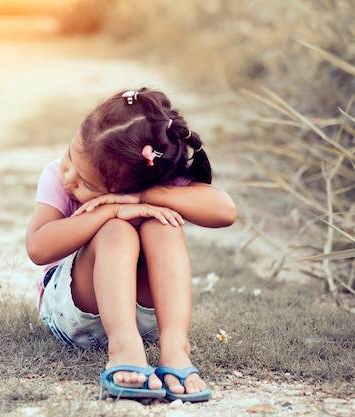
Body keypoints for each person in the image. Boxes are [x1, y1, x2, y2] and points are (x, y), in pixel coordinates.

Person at [25, 87, 237, 402]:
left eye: (87, 184)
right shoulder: (58, 175)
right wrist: (110, 210)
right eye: (70, 155)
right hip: (74, 311)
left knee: (162, 225)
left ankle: (175, 347)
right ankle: (123, 346)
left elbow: (225, 211)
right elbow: (38, 248)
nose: (70, 177)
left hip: (146, 319)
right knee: (116, 231)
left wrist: (140, 197)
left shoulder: (149, 181)